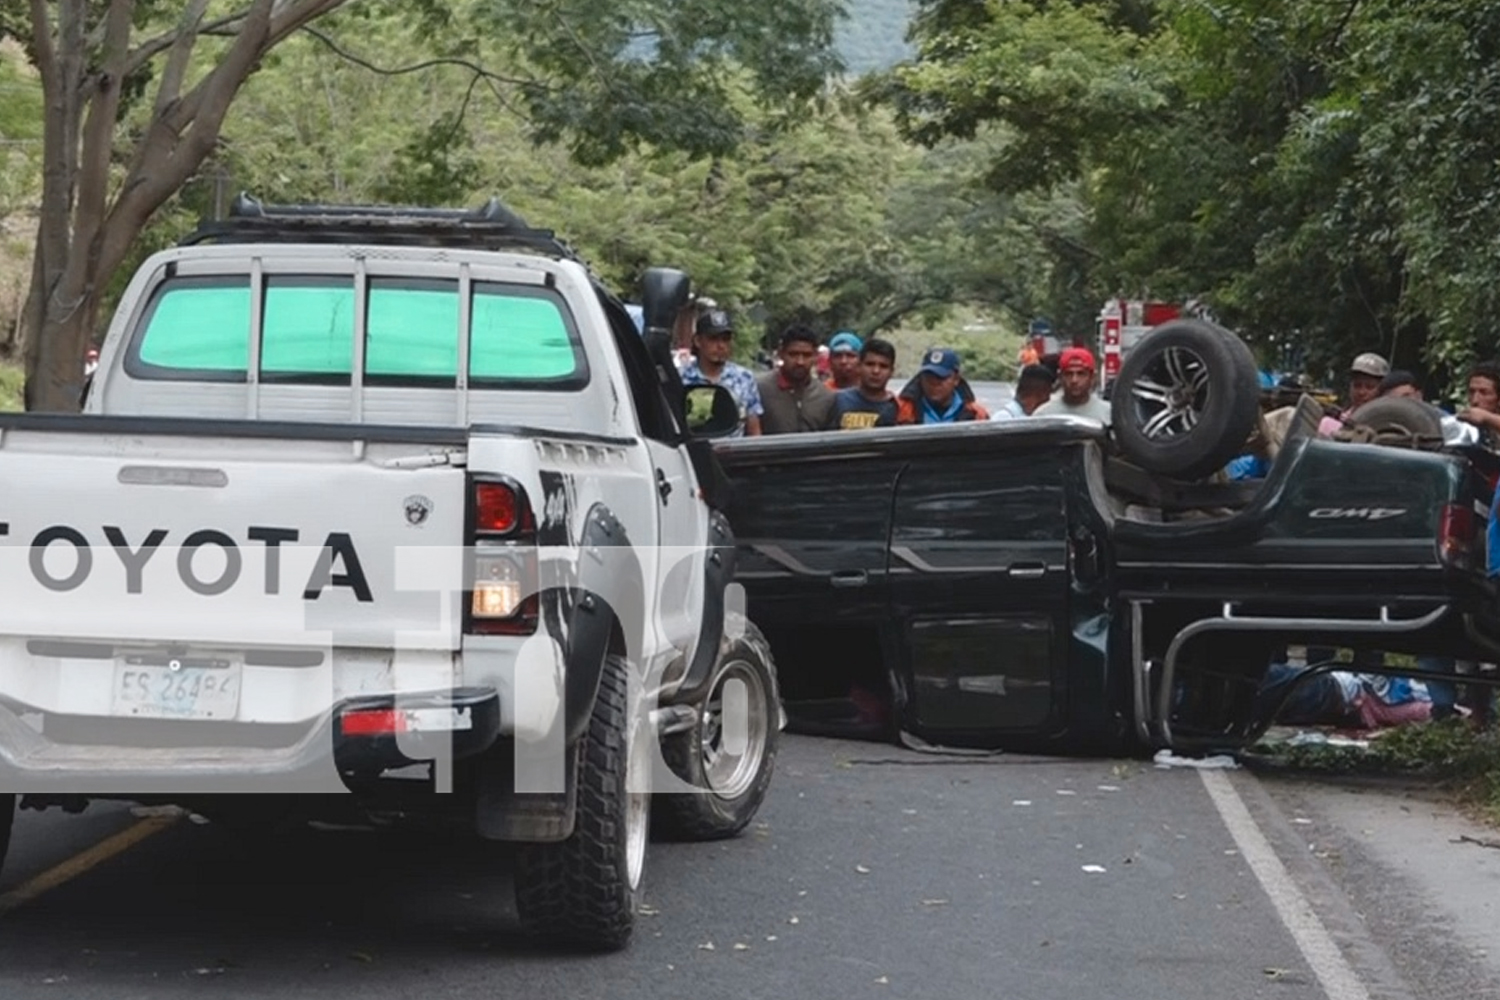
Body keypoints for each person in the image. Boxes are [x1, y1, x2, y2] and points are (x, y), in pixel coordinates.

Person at [680, 308, 763, 437]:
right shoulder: (681, 378)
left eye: (726, 339)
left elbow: (754, 429)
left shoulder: (744, 378)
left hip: (734, 452)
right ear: (698, 341)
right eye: (713, 339)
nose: (721, 346)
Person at [757, 324, 836, 434]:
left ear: (815, 356)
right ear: (781, 353)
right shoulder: (760, 390)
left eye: (807, 355)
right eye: (793, 354)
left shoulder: (826, 397)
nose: (800, 362)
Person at [895, 347, 990, 424]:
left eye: (941, 378)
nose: (934, 383)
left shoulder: (977, 415)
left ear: (956, 379)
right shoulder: (899, 409)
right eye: (929, 377)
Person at [830, 338, 899, 429]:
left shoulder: (898, 407)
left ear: (891, 372)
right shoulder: (837, 401)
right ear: (859, 366)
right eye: (870, 364)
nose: (876, 371)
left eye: (883, 366)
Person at [1033, 347, 1111, 424]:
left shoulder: (1109, 414)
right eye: (1068, 374)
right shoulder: (1043, 416)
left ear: (1092, 377)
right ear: (1060, 377)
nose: (1074, 380)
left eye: (1081, 374)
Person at [991, 363, 1055, 421]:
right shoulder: (1004, 418)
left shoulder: (1037, 417)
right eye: (1048, 393)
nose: (1049, 399)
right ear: (1041, 393)